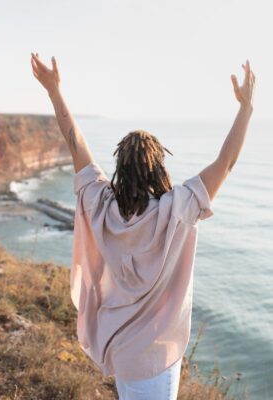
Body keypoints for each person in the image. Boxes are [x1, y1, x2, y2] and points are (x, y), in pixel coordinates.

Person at [31, 53, 255, 400]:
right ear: (158, 167)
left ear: (120, 166)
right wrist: (246, 108)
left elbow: (75, 142)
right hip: (156, 359)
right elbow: (226, 163)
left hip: (121, 351)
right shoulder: (176, 210)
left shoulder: (101, 206)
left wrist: (54, 90)